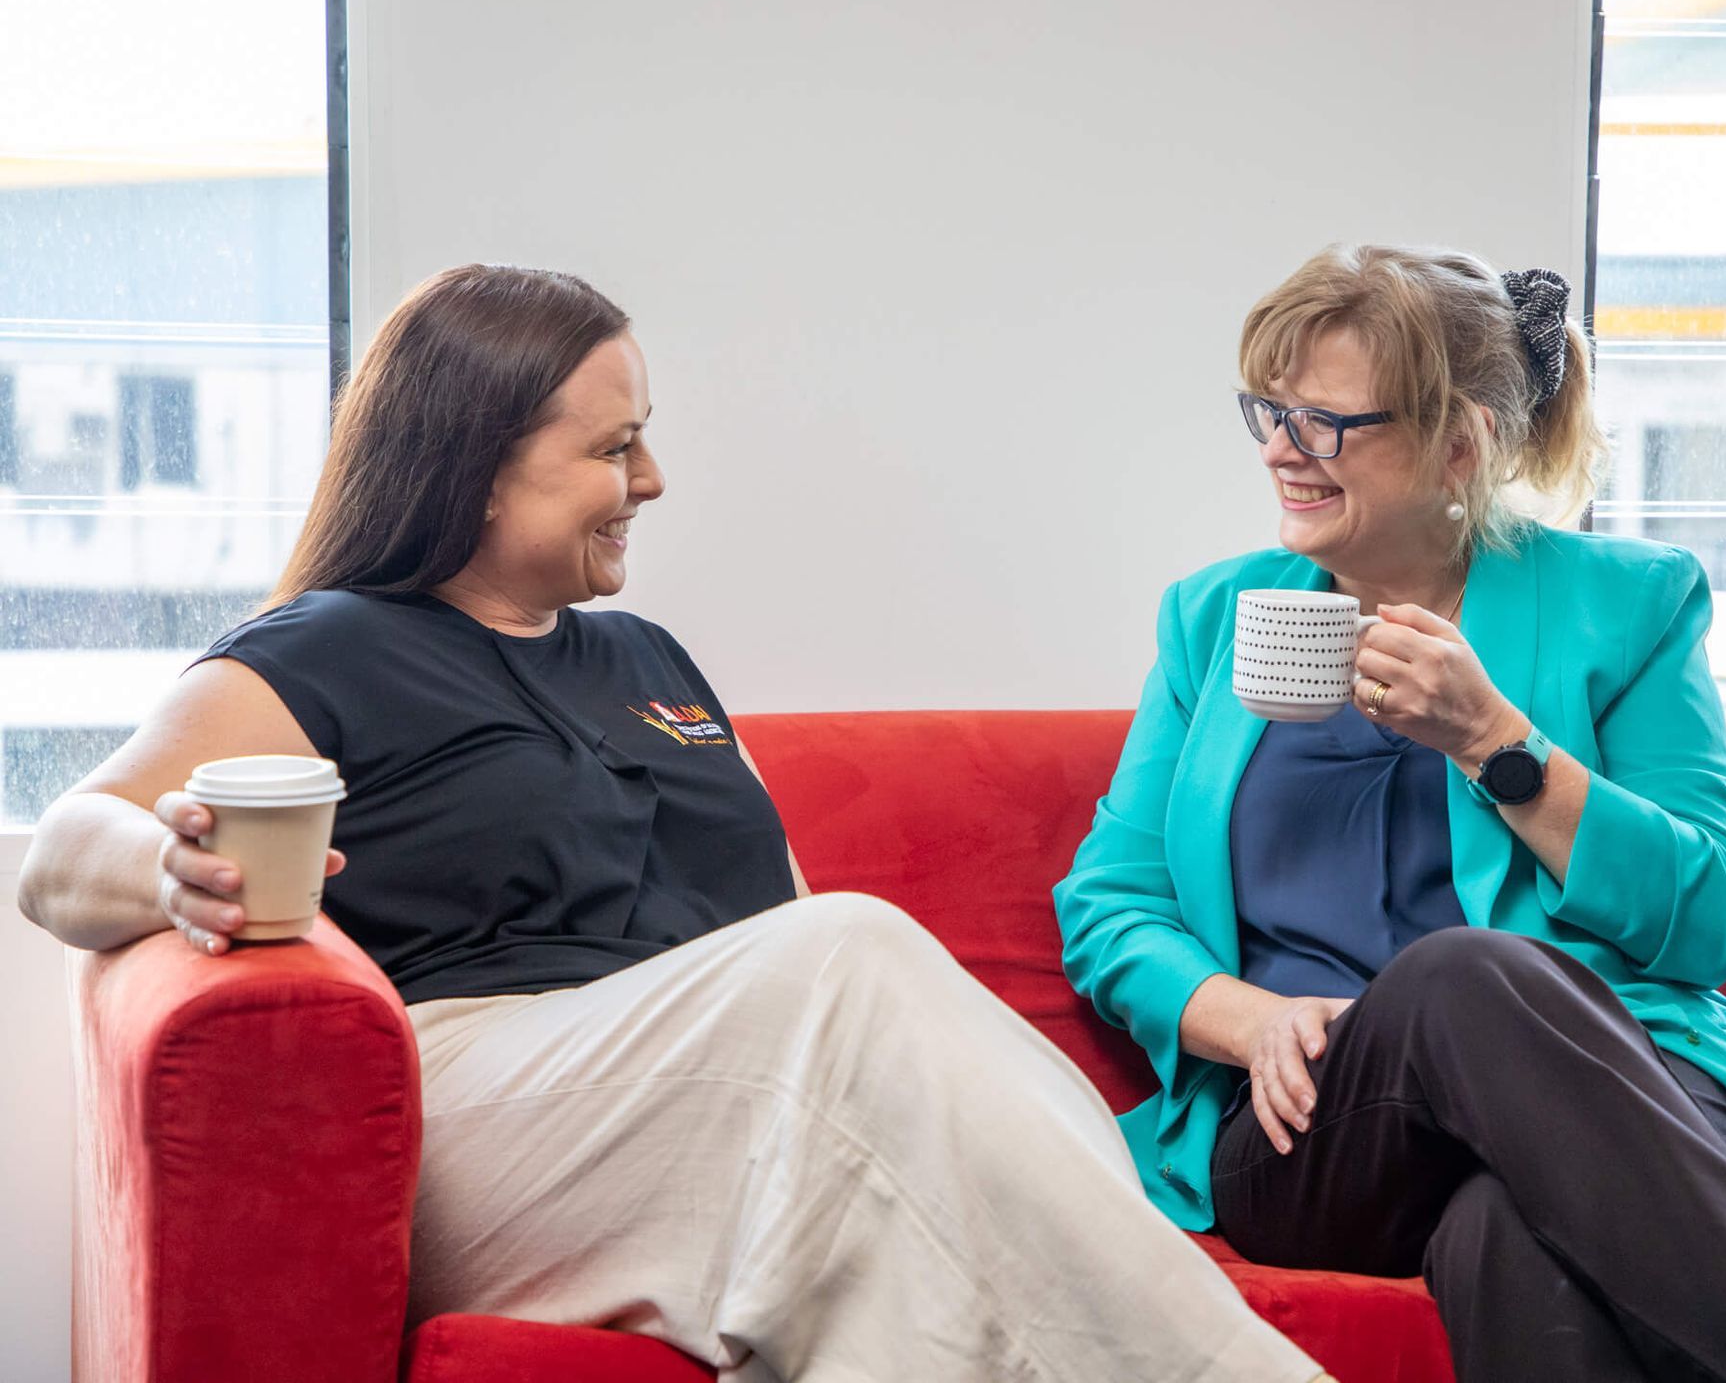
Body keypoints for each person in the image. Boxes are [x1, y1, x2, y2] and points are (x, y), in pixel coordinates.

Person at [19, 264, 1333, 1383]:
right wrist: (173, 868)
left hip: (719, 1087)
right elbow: (72, 853)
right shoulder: (329, 650)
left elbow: (781, 923)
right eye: (610, 448)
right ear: (475, 470)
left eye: (642, 435)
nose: (651, 477)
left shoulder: (645, 656)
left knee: (957, 1081)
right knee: (853, 957)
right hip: (492, 1110)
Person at [1054, 244, 1726, 1383]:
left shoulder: (1630, 604)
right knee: (1459, 979)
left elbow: (1713, 917)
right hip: (1326, 1120)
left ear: (1460, 443)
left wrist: (1496, 743)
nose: (1278, 449)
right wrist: (1247, 1020)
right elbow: (1114, 906)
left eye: (1325, 422)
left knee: (1505, 1230)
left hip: (1635, 1080)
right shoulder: (1213, 621)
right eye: (1269, 409)